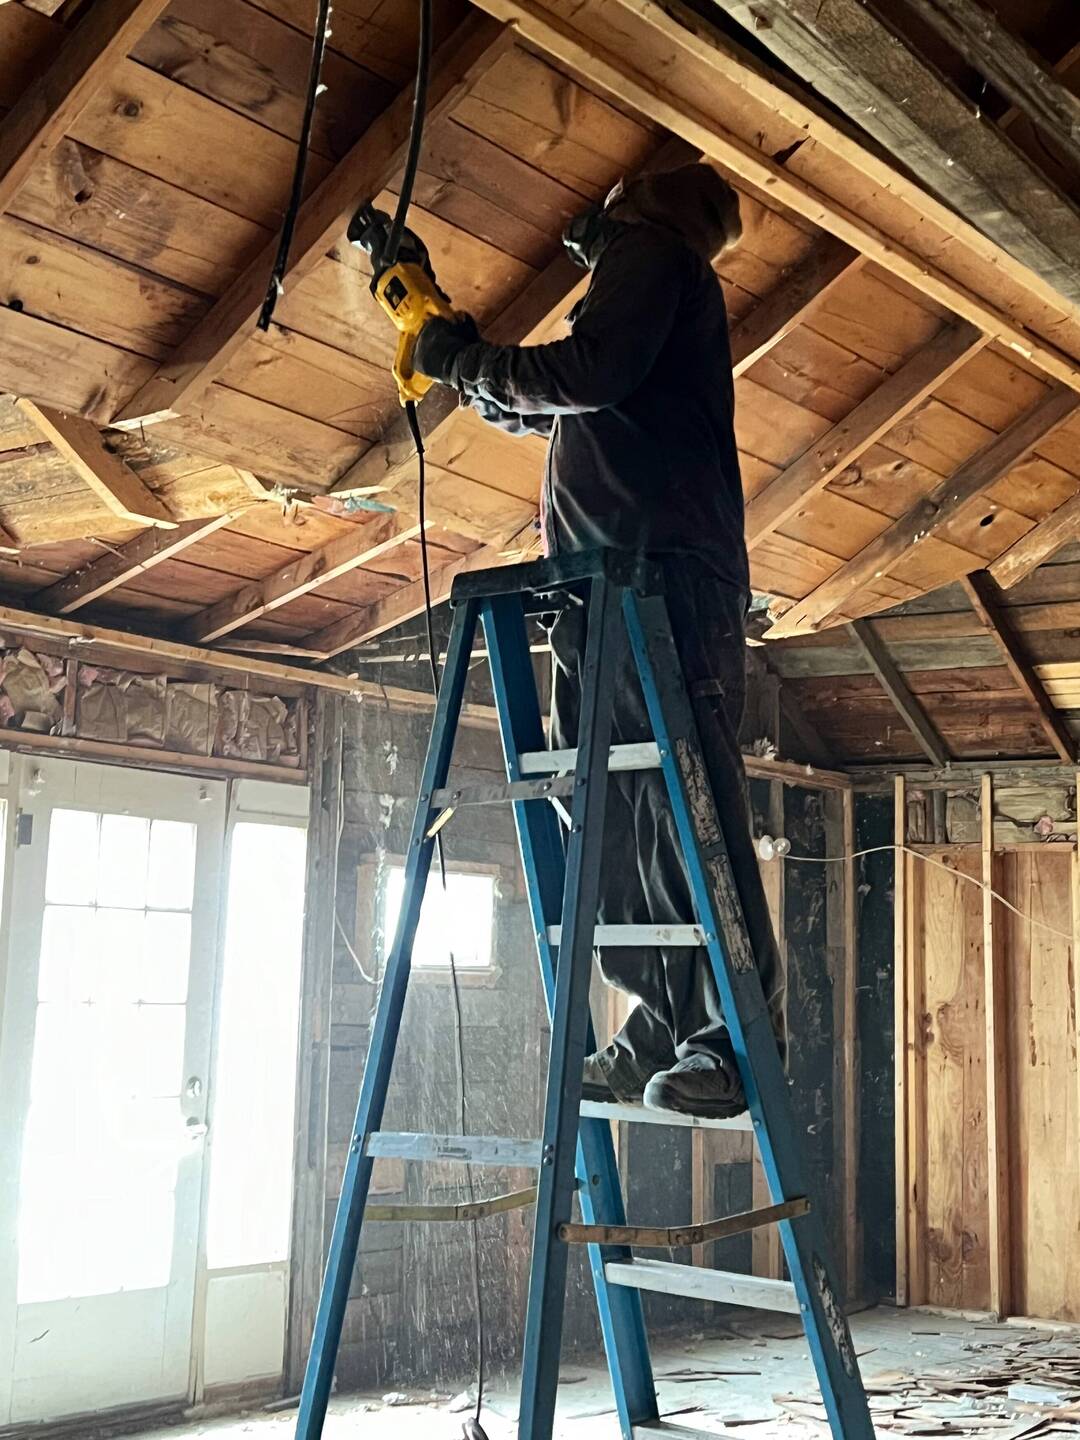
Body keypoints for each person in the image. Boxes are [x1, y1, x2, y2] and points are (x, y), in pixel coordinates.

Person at [414, 163, 786, 1119]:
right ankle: (658, 1023)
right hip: (601, 585)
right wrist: (463, 364)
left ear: (636, 203)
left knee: (685, 804)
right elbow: (562, 398)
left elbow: (587, 375)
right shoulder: (637, 279)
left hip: (665, 581)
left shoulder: (655, 260)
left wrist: (464, 359)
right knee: (611, 811)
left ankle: (732, 1045)